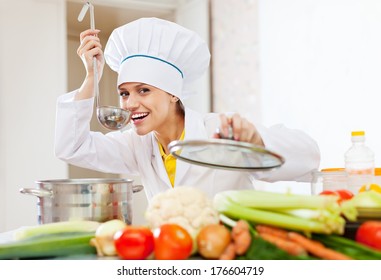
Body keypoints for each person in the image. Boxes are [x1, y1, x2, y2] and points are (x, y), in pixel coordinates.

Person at [55, 17, 320, 200]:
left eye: (143, 90)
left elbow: (309, 156)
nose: (130, 103)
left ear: (172, 94)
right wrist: (92, 77)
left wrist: (256, 141)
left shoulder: (217, 130)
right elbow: (71, 148)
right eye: (124, 93)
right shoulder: (137, 146)